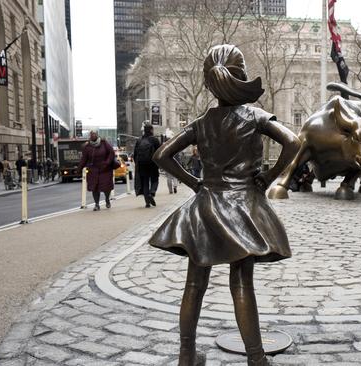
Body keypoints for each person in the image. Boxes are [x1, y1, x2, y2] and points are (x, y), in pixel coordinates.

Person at [150, 45, 299, 366]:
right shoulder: (255, 116)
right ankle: (257, 359)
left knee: (194, 283)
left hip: (204, 208)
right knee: (242, 282)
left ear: (208, 84)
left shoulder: (201, 122)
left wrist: (195, 184)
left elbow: (161, 155)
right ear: (241, 77)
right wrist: (270, 177)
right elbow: (294, 142)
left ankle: (187, 356)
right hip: (243, 207)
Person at [79, 131, 115, 211]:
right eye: (91, 134)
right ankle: (97, 204)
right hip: (93, 170)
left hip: (105, 169)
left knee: (106, 187)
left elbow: (111, 153)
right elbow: (84, 159)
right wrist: (79, 168)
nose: (93, 135)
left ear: (97, 135)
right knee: (94, 187)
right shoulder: (87, 146)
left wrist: (107, 162)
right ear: (90, 136)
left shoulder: (104, 143)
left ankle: (107, 199)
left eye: (94, 134)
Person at [133, 124, 162, 207]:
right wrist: (159, 164)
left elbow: (135, 155)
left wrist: (138, 164)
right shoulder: (155, 140)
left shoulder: (139, 141)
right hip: (152, 164)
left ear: (144, 130)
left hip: (142, 164)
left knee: (145, 182)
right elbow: (159, 152)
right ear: (151, 130)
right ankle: (152, 193)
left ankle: (147, 202)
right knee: (155, 179)